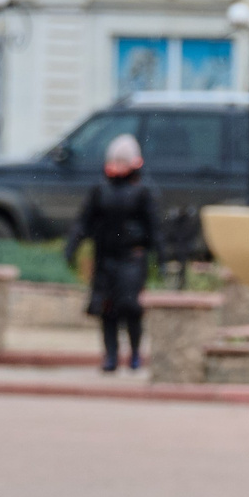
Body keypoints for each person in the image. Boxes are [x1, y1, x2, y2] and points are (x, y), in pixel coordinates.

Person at [64, 135, 160, 373]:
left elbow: (154, 227)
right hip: (105, 256)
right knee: (107, 308)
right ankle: (111, 355)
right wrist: (72, 246)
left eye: (123, 161)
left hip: (132, 257)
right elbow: (84, 221)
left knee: (130, 307)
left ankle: (135, 353)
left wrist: (160, 256)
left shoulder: (143, 191)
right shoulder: (100, 190)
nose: (118, 166)